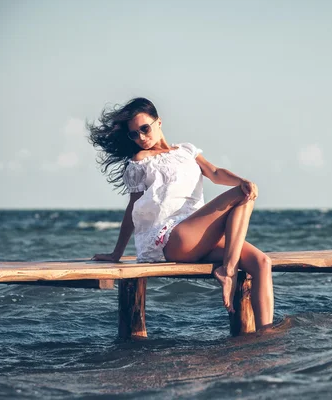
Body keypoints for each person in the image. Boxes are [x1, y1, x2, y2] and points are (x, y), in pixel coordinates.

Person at [88, 97, 274, 330]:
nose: (142, 138)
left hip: (200, 235)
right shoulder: (140, 161)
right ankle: (227, 271)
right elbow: (133, 210)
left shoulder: (186, 150)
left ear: (159, 122)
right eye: (134, 134)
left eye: (145, 129)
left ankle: (267, 337)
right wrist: (117, 253)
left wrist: (242, 180)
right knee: (241, 194)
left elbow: (215, 173)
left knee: (262, 261)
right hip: (172, 238)